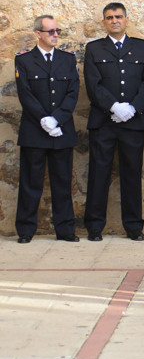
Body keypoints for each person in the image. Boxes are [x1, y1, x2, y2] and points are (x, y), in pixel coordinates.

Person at [83, 1, 144, 241]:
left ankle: (134, 226)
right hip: (104, 121)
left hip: (133, 121)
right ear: (104, 22)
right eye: (110, 17)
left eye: (118, 16)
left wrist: (132, 108)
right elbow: (93, 84)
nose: (115, 20)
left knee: (132, 173)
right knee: (98, 173)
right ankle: (95, 226)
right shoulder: (94, 49)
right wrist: (114, 107)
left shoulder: (141, 47)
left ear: (126, 20)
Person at [14, 15, 80, 243]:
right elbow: (25, 93)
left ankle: (65, 229)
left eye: (57, 31)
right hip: (35, 130)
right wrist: (44, 119)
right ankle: (25, 230)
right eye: (50, 31)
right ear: (38, 34)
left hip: (61, 130)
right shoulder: (24, 60)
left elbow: (73, 93)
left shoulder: (67, 59)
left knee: (62, 182)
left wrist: (57, 119)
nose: (55, 35)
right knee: (31, 184)